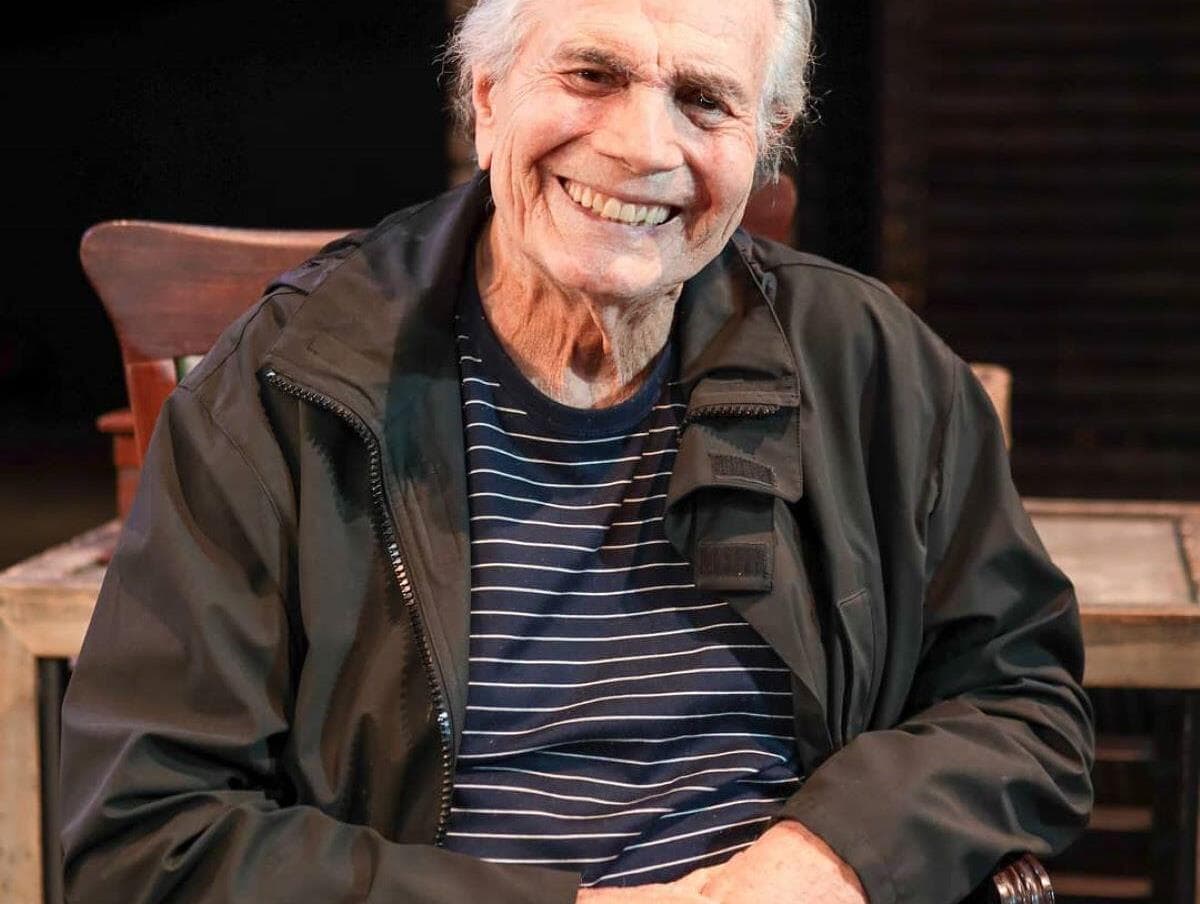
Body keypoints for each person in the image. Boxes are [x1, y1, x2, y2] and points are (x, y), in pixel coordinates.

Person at [59, 0, 1094, 901]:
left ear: (767, 140)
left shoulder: (870, 363)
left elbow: (1022, 705)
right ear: (486, 97)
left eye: (705, 100)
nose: (643, 146)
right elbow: (149, 835)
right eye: (593, 74)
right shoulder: (283, 385)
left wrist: (830, 856)